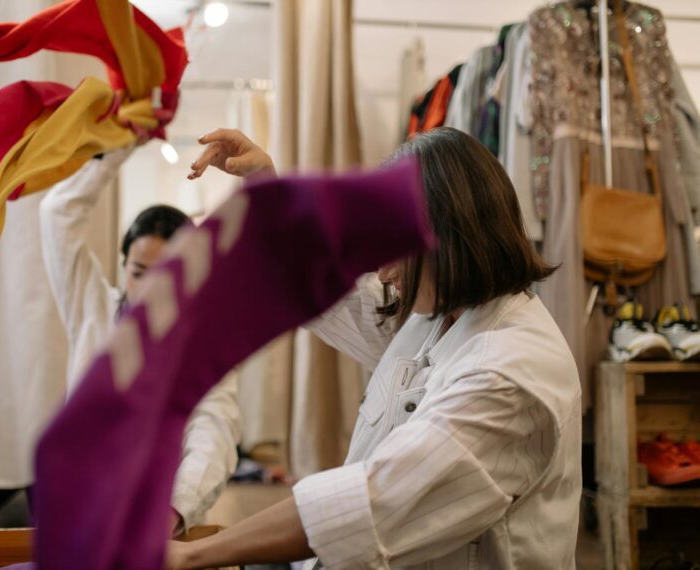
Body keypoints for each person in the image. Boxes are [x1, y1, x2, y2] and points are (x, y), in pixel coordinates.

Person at [168, 127, 582, 569]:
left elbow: (376, 501)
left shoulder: (511, 373)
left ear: (445, 237)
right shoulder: (437, 318)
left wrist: (192, 555)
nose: (383, 273)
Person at [39, 146, 242, 534]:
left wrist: (169, 514)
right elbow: (56, 216)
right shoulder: (93, 310)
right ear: (124, 267)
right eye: (138, 272)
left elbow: (214, 435)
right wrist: (117, 148)